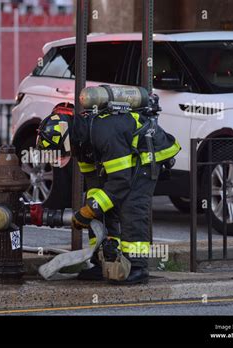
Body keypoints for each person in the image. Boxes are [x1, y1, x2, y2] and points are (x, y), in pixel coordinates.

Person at [37, 93, 181, 284]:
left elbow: (121, 182)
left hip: (146, 157)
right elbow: (94, 185)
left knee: (132, 206)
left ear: (65, 140)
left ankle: (137, 267)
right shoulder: (80, 142)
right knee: (98, 205)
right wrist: (91, 208)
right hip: (125, 161)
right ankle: (103, 262)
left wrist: (89, 210)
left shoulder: (104, 134)